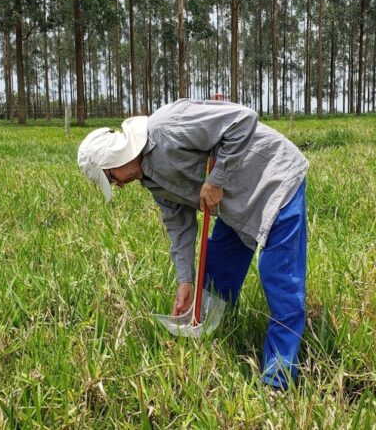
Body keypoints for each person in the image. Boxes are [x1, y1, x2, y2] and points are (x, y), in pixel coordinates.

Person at [77, 98, 308, 389]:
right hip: (234, 204)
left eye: (112, 178)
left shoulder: (166, 126)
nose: (119, 185)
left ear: (114, 158)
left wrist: (216, 180)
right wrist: (185, 281)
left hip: (275, 180)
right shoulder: (151, 180)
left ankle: (278, 383)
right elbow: (179, 226)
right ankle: (214, 340)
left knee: (280, 282)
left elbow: (242, 119)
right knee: (216, 272)